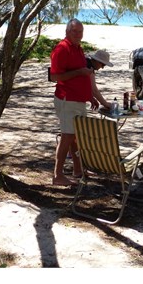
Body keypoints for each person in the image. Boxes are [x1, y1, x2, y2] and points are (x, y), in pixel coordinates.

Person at [49, 19, 95, 187]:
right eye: (75, 31)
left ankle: (77, 169)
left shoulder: (78, 48)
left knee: (76, 137)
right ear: (67, 31)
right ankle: (57, 175)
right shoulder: (62, 49)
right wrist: (79, 72)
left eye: (80, 32)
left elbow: (82, 77)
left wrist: (90, 96)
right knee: (67, 136)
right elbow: (55, 77)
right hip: (67, 100)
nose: (78, 35)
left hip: (79, 100)